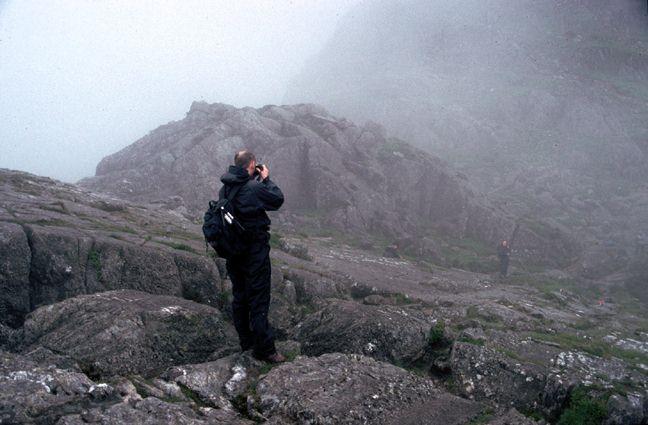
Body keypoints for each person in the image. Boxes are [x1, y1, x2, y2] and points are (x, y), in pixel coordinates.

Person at [218, 150, 285, 363]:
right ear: (252, 164)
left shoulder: (225, 188)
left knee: (241, 298)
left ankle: (246, 343)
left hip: (234, 252)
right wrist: (266, 179)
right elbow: (276, 200)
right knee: (258, 299)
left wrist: (255, 181)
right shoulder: (254, 187)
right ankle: (265, 350)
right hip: (254, 253)